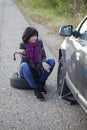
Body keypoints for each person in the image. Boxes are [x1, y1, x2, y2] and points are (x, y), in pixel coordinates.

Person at [17, 27, 55, 101]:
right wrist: (24, 53)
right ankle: (36, 89)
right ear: (27, 36)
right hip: (26, 71)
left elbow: (43, 56)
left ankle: (40, 84)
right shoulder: (23, 44)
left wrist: (43, 62)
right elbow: (25, 61)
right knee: (24, 65)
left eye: (36, 36)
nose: (35, 38)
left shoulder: (39, 42)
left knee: (52, 61)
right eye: (32, 36)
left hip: (37, 69)